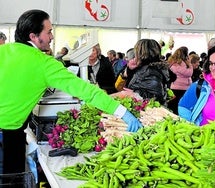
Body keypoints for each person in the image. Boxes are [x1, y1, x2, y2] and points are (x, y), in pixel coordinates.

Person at [0, 9, 141, 175]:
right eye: (49, 32)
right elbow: (87, 91)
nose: (52, 37)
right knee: (11, 180)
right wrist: (122, 112)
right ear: (33, 36)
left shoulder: (4, 50)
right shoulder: (45, 64)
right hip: (8, 137)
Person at [178, 44, 215, 126]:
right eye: (211, 63)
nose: (213, 67)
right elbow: (183, 107)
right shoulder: (201, 86)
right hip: (204, 136)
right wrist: (193, 129)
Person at [126, 39, 171, 105]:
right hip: (145, 109)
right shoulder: (147, 68)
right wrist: (130, 70)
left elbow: (155, 97)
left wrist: (133, 93)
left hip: (148, 111)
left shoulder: (150, 71)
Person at [167, 46, 193, 114]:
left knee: (173, 108)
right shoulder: (182, 64)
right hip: (184, 89)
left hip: (174, 87)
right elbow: (189, 73)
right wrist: (190, 64)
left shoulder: (172, 63)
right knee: (182, 108)